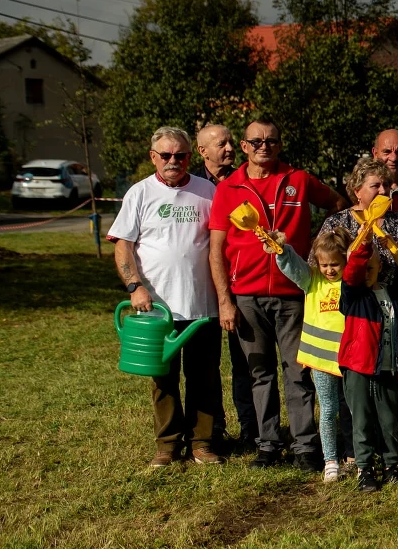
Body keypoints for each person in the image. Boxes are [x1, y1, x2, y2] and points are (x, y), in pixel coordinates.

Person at [209, 118, 345, 470]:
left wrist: (316, 246)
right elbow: (216, 249)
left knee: (298, 372)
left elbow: (337, 204)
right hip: (246, 295)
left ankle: (304, 446)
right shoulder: (229, 189)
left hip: (292, 293)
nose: (263, 147)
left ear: (280, 145)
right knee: (260, 372)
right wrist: (225, 300)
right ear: (243, 146)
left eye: (271, 140)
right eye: (256, 141)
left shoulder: (297, 180)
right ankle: (267, 444)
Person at [110, 127, 222, 467]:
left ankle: (202, 442)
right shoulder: (139, 193)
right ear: (153, 157)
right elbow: (123, 245)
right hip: (157, 308)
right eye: (166, 155)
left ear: (191, 155)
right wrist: (134, 286)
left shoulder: (208, 191)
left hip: (203, 305)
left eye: (181, 155)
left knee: (205, 376)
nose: (173, 161)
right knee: (163, 379)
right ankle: (168, 445)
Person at [336, 223, 398, 491]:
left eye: (370, 269)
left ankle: (391, 466)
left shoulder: (394, 298)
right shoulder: (353, 295)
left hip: (388, 368)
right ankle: (365, 469)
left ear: (380, 269)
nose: (365, 274)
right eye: (362, 269)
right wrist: (364, 244)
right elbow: (352, 272)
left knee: (389, 418)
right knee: (361, 419)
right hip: (358, 367)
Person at [268, 226, 352, 483]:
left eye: (335, 264)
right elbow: (292, 266)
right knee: (327, 410)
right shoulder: (311, 279)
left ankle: (353, 455)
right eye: (324, 264)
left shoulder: (351, 281)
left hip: (350, 358)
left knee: (350, 409)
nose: (329, 270)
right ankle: (330, 460)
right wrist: (281, 250)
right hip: (321, 359)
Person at [195, 123, 254, 448]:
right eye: (221, 144)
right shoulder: (192, 186)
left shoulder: (244, 181)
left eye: (232, 142)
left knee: (243, 361)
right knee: (206, 365)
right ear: (202, 151)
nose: (229, 148)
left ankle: (250, 430)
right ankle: (212, 429)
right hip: (199, 289)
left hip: (239, 283)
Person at [317, 157, 398, 297]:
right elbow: (317, 266)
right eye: (375, 186)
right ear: (357, 191)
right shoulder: (336, 223)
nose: (383, 191)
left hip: (394, 305)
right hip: (350, 307)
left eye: (387, 185)